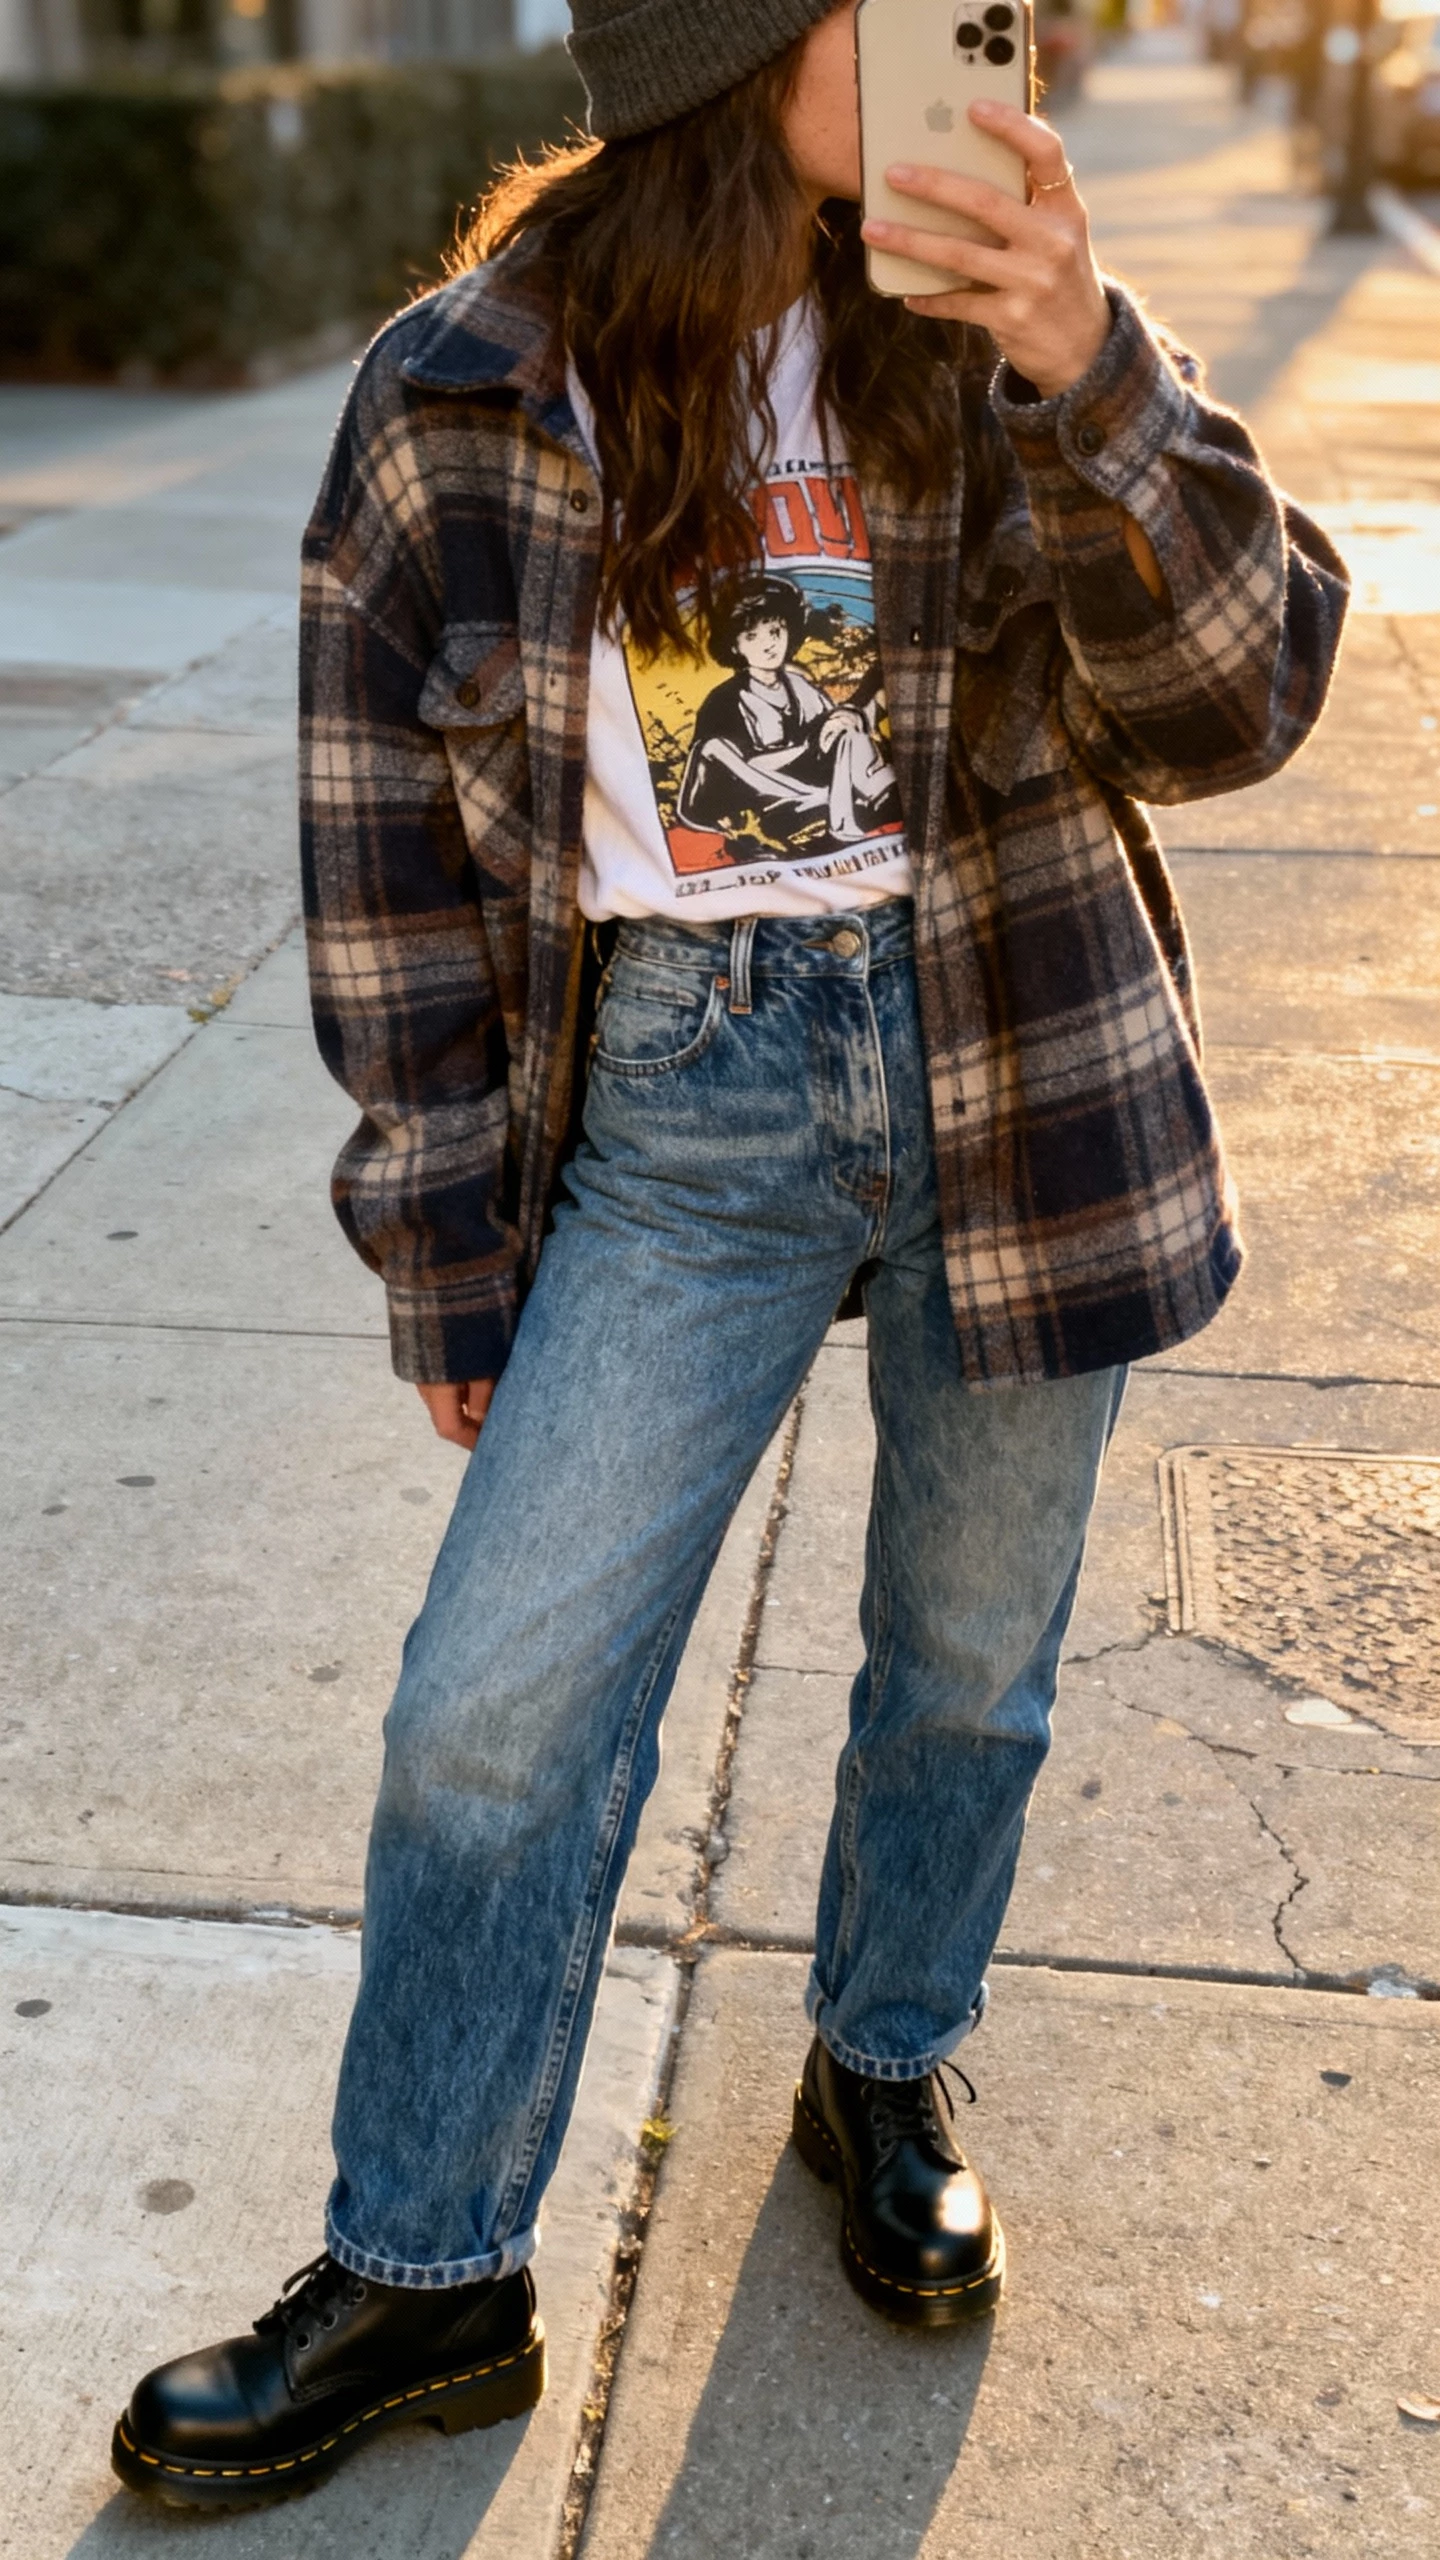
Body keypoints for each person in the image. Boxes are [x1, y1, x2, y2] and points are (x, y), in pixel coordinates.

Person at [112, 0, 1346, 2512]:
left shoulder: (989, 308)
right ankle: (431, 2265)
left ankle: (884, 2060)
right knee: (491, 1718)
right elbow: (385, 871)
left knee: (969, 1673)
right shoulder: (464, 388)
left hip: (1017, 1056)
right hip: (688, 1112)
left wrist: (1090, 363)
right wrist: (445, 1247)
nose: (978, 23)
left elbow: (1248, 697)